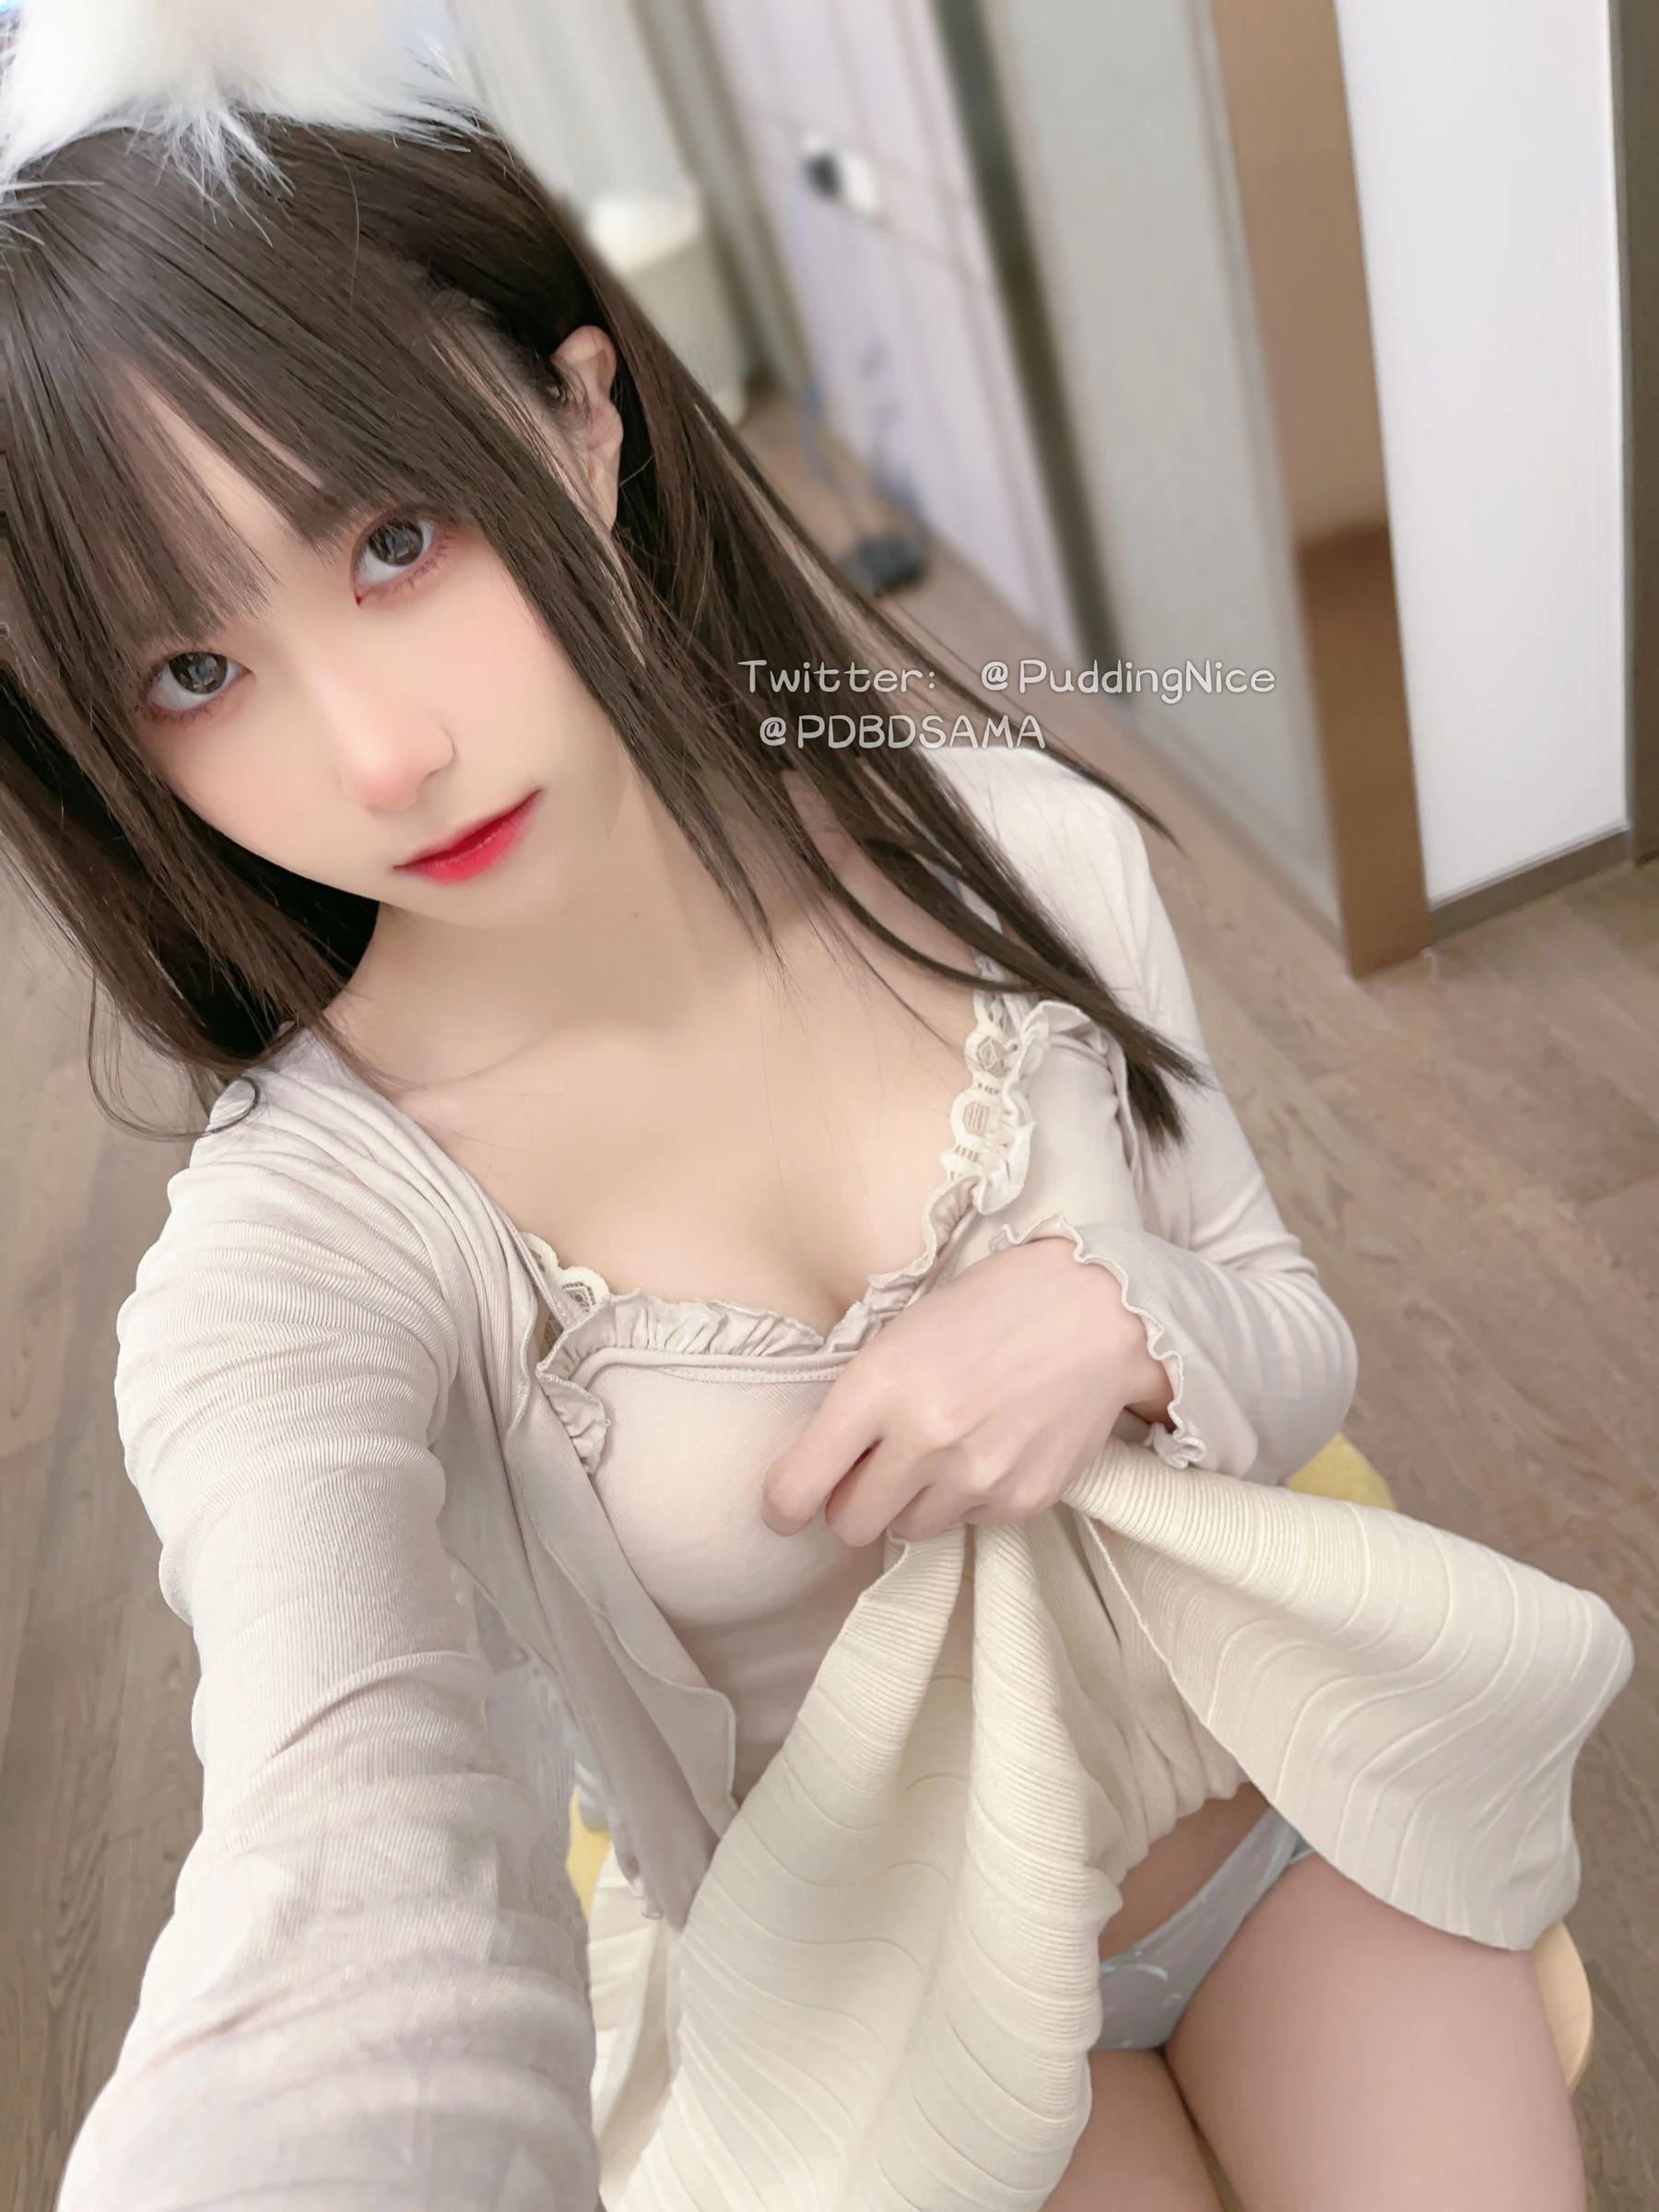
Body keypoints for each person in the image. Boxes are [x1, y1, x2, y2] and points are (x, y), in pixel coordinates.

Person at [0, 9, 1628, 2208]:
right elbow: (335, 1827)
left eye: (394, 538)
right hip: (875, 1998)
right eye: (195, 671)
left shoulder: (1020, 849)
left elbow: (1289, 1323)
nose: (380, 756)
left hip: (1289, 1804)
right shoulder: (312, 1238)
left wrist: (1121, 1316)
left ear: (580, 418)